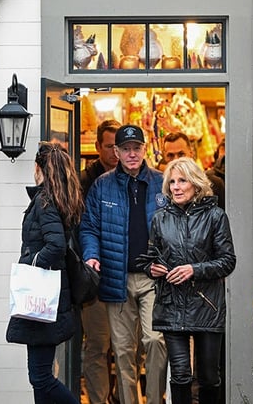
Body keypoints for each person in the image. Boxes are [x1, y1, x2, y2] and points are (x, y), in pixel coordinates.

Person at [81, 124, 168, 404]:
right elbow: (89, 227)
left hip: (153, 279)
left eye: (137, 148)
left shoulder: (162, 182)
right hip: (116, 278)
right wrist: (91, 255)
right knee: (122, 350)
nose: (132, 154)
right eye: (126, 149)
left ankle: (155, 399)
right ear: (116, 152)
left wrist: (165, 262)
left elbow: (176, 229)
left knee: (155, 341)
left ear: (145, 150)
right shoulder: (102, 185)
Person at [142, 157, 236, 404]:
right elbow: (151, 258)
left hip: (207, 305)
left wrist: (193, 269)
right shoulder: (160, 218)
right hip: (172, 304)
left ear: (195, 183)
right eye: (171, 182)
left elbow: (228, 261)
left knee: (207, 376)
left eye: (182, 180)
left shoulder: (216, 217)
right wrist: (153, 269)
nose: (175, 187)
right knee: (181, 374)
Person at [6, 141, 83, 404]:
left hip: (40, 297)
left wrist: (32, 265)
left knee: (40, 377)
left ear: (39, 168)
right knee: (39, 377)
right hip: (47, 299)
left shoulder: (44, 201)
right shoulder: (56, 198)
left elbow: (56, 246)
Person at [79, 119, 120, 404]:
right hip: (95, 276)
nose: (115, 153)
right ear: (98, 147)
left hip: (124, 274)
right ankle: (98, 400)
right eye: (109, 147)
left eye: (119, 147)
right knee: (97, 344)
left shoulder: (133, 177)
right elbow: (82, 226)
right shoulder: (85, 181)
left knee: (129, 347)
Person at [162, 132, 225, 209]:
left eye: (181, 154)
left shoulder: (214, 183)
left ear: (191, 154)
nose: (176, 160)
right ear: (164, 157)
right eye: (170, 155)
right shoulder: (161, 186)